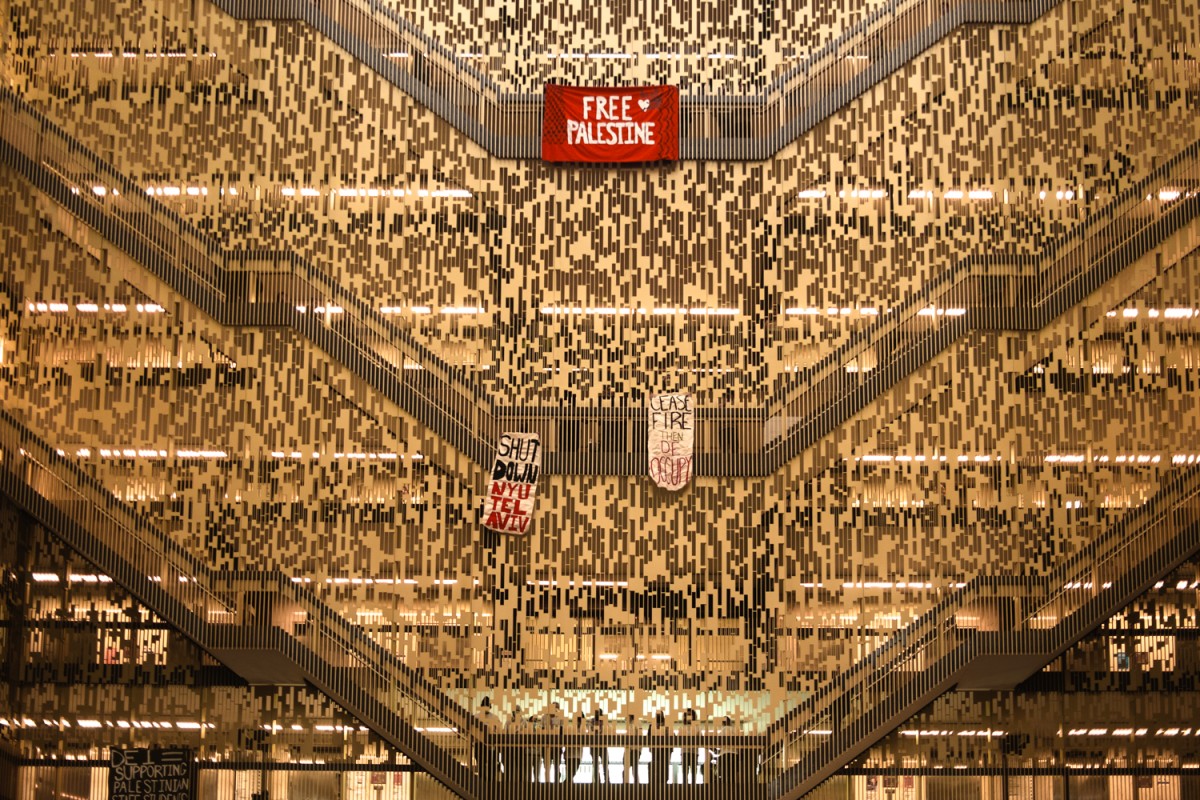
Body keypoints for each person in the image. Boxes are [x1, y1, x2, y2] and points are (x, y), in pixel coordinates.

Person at [475, 697, 502, 781]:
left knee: (491, 765)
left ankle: (490, 782)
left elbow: (499, 731)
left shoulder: (494, 718)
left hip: (491, 745)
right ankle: (483, 781)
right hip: (480, 744)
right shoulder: (476, 717)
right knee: (481, 765)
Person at [541, 701, 564, 782]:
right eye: (554, 707)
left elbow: (562, 731)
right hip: (546, 745)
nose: (556, 709)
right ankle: (547, 781)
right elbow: (542, 729)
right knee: (547, 766)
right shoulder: (544, 717)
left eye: (557, 707)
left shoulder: (560, 717)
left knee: (557, 765)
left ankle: (556, 781)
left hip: (557, 745)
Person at [505, 705, 529, 784]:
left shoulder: (524, 722)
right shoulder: (509, 721)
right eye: (515, 711)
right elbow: (505, 732)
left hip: (521, 746)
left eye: (518, 711)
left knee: (521, 765)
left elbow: (528, 733)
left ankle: (522, 782)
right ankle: (510, 781)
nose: (516, 713)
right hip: (510, 746)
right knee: (510, 765)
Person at [681, 708, 701, 785]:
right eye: (687, 715)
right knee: (684, 771)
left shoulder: (697, 727)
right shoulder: (682, 727)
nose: (689, 716)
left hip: (694, 752)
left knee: (693, 770)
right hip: (685, 751)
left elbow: (701, 739)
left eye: (690, 715)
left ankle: (693, 786)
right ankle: (685, 786)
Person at [650, 708, 669, 785]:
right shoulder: (652, 725)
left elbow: (670, 736)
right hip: (655, 749)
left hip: (664, 750)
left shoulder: (666, 725)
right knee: (656, 765)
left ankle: (664, 781)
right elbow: (649, 736)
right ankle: (656, 781)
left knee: (664, 766)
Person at [563, 711, 584, 783]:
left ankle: (566, 785)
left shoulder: (582, 730)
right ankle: (567, 786)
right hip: (569, 754)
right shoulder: (570, 729)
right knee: (570, 774)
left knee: (571, 774)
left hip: (577, 755)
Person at [590, 708, 610, 783]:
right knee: (596, 765)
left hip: (602, 745)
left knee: (604, 765)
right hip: (595, 745)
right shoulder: (592, 721)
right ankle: (598, 781)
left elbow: (607, 730)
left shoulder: (604, 721)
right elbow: (591, 730)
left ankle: (606, 781)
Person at [624, 713, 640, 784]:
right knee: (629, 769)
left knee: (634, 770)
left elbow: (638, 736)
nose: (626, 719)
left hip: (634, 750)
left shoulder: (636, 724)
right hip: (630, 750)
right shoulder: (630, 726)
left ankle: (636, 785)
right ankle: (628, 783)